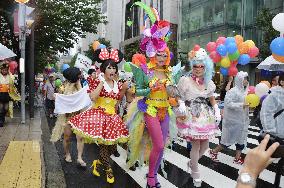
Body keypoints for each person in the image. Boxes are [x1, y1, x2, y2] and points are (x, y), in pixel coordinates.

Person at [126, 20, 178, 188]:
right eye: (159, 54)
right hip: (150, 110)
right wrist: (150, 88)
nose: (162, 58)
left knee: (162, 147)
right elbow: (136, 91)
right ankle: (150, 177)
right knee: (159, 144)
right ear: (153, 53)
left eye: (165, 54)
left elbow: (174, 94)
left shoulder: (170, 72)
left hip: (166, 110)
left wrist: (174, 94)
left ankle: (154, 175)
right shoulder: (145, 70)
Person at [69, 48, 129, 184]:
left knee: (113, 147)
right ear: (103, 70)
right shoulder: (97, 82)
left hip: (112, 117)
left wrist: (125, 89)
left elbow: (118, 100)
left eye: (114, 68)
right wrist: (101, 82)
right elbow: (93, 97)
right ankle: (108, 170)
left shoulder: (118, 84)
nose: (112, 70)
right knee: (103, 146)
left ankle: (97, 162)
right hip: (100, 116)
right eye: (109, 68)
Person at [176, 46, 220, 187]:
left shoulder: (209, 82)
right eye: (195, 66)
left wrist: (217, 109)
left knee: (205, 145)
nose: (198, 68)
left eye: (201, 66)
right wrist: (181, 104)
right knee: (195, 145)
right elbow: (178, 95)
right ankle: (195, 170)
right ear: (192, 66)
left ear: (205, 67)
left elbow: (211, 97)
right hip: (191, 115)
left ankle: (191, 163)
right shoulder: (185, 80)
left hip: (205, 115)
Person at [50, 67, 89, 167]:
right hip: (67, 117)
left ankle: (80, 158)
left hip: (79, 116)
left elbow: (83, 98)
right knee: (67, 138)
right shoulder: (63, 87)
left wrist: (79, 84)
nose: (80, 77)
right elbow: (58, 99)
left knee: (80, 138)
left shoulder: (81, 86)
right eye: (78, 76)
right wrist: (57, 97)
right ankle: (67, 154)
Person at [210, 71, 250, 165]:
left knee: (241, 140)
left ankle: (237, 158)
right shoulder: (233, 91)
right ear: (239, 79)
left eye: (247, 79)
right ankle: (214, 151)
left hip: (242, 120)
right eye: (245, 79)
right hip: (232, 121)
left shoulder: (245, 92)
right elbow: (228, 104)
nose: (246, 81)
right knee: (226, 141)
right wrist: (242, 105)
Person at [260, 74, 284, 139]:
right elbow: (266, 113)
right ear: (282, 82)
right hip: (278, 135)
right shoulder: (274, 95)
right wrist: (271, 132)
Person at [0, 61, 20, 127]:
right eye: (3, 70)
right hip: (0, 93)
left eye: (5, 70)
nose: (4, 71)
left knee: (6, 108)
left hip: (7, 94)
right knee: (1, 107)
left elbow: (13, 84)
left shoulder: (10, 76)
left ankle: (2, 118)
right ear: (1, 70)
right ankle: (1, 120)